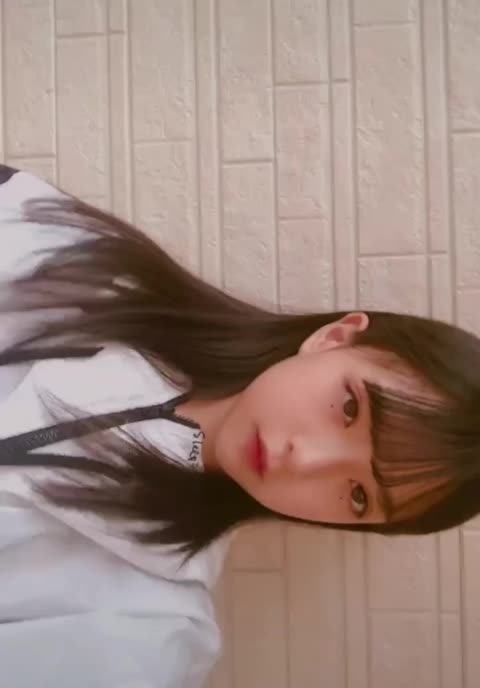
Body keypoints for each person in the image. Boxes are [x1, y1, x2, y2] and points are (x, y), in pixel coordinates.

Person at [0, 165, 478, 686]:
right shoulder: (86, 266)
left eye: (358, 496)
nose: (306, 460)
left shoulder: (148, 631)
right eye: (349, 409)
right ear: (335, 338)